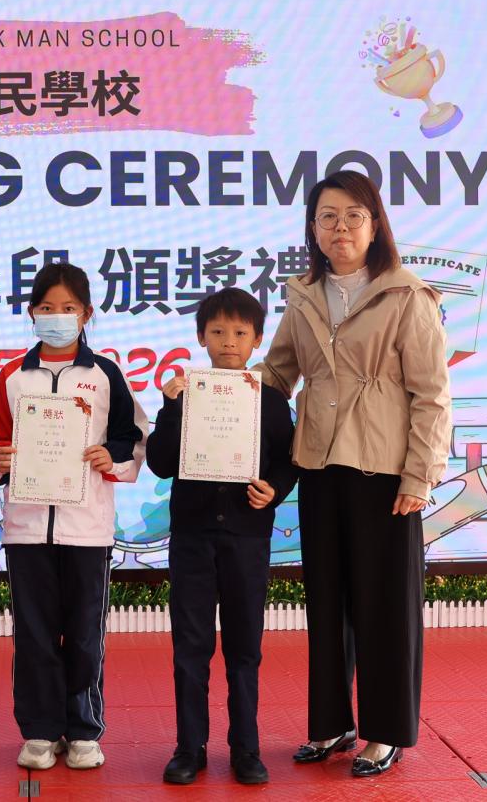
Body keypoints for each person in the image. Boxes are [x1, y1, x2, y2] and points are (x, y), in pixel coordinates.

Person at [257, 170, 451, 777]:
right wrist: (210, 389)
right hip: (319, 465)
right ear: (312, 229)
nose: (339, 227)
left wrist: (419, 476)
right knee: (327, 601)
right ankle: (331, 724)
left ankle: (384, 732)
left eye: (353, 216)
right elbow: (277, 373)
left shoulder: (406, 295)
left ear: (374, 226)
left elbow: (432, 395)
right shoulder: (304, 295)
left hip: (384, 471)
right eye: (327, 217)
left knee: (385, 605)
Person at [0, 262, 147, 771]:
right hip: (27, 529)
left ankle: (83, 730)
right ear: (32, 313)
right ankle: (38, 730)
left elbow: (132, 437)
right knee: (33, 634)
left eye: (68, 308)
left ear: (86, 314)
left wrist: (110, 457)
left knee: (84, 634)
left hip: (87, 530)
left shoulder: (105, 375)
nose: (57, 317)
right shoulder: (12, 376)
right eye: (47, 308)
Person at [147, 287, 297, 786]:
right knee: (190, 646)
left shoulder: (270, 401)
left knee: (244, 648)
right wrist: (170, 407)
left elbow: (288, 460)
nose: (228, 341)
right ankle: (188, 748)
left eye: (239, 332)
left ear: (256, 340)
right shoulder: (184, 395)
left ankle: (246, 749)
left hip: (247, 537)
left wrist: (273, 489)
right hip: (192, 537)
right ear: (201, 337)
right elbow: (160, 462)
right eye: (217, 332)